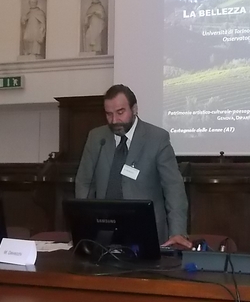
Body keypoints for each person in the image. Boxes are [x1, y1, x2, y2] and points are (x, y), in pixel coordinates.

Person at [75, 84, 191, 248]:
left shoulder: (157, 138)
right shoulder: (97, 137)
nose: (114, 120)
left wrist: (177, 231)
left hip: (146, 231)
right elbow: (84, 182)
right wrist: (83, 223)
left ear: (134, 109)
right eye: (109, 114)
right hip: (104, 233)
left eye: (120, 112)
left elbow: (173, 187)